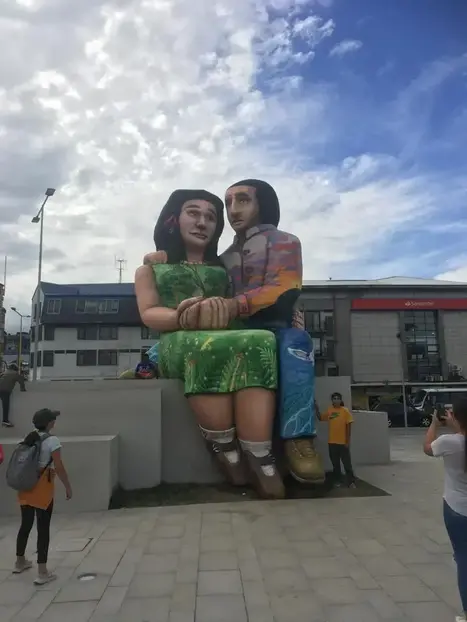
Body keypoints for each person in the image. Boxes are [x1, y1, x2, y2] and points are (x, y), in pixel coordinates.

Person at [143, 180, 325, 485]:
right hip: (232, 329)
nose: (233, 210)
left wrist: (233, 306)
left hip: (275, 328)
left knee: (296, 345)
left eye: (242, 200)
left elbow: (284, 286)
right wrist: (165, 256)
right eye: (228, 203)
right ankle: (149, 362)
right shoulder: (224, 257)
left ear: (263, 203)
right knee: (196, 339)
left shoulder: (284, 242)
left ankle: (299, 437)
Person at [135, 189, 284, 499]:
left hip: (231, 332)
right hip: (178, 338)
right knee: (206, 346)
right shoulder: (151, 270)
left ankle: (259, 452)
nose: (202, 222)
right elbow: (148, 313)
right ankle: (223, 444)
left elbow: (258, 291)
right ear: (174, 219)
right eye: (193, 213)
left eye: (211, 217)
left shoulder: (225, 268)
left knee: (261, 340)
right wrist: (182, 317)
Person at [14, 408, 72, 585]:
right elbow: (59, 466)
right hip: (42, 488)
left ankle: (20, 562)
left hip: (25, 485)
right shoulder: (52, 440)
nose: (55, 421)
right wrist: (68, 486)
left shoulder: (29, 436)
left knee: (25, 524)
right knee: (43, 528)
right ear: (49, 423)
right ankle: (42, 572)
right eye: (53, 419)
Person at [424, 400, 467, 622]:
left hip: (457, 508)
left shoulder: (449, 442)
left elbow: (427, 448)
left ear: (456, 417)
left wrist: (434, 423)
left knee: (463, 558)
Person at [319, 392, 356, 488]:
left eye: (338, 398)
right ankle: (338, 481)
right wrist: (315, 408)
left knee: (347, 464)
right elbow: (321, 418)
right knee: (335, 464)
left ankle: (351, 482)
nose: (336, 400)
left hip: (343, 443)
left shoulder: (345, 411)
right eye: (334, 398)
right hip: (332, 443)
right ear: (332, 400)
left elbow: (348, 427)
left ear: (341, 400)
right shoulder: (330, 410)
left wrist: (347, 441)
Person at [0, 363, 26, 428]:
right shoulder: (15, 373)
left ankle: (5, 421)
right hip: (5, 390)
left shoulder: (5, 372)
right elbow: (21, 381)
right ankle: (5, 421)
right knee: (5, 406)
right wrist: (22, 389)